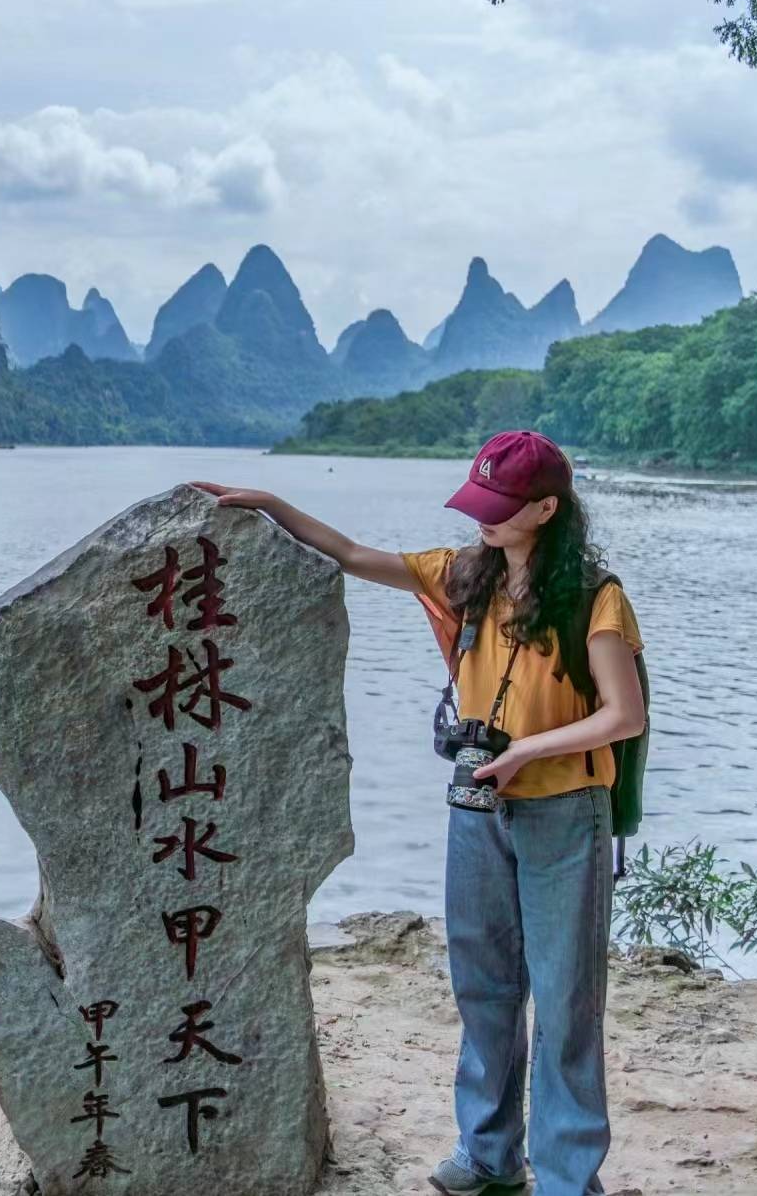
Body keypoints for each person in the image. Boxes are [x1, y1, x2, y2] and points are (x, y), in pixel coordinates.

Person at [191, 430, 646, 1196]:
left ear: (546, 508)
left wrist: (528, 753)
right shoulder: (465, 575)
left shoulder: (597, 599)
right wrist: (273, 505)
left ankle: (568, 1178)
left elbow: (621, 715)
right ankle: (489, 1156)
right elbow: (355, 555)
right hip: (477, 808)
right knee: (484, 985)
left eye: (500, 509)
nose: (484, 521)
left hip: (565, 811)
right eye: (480, 504)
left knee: (566, 998)